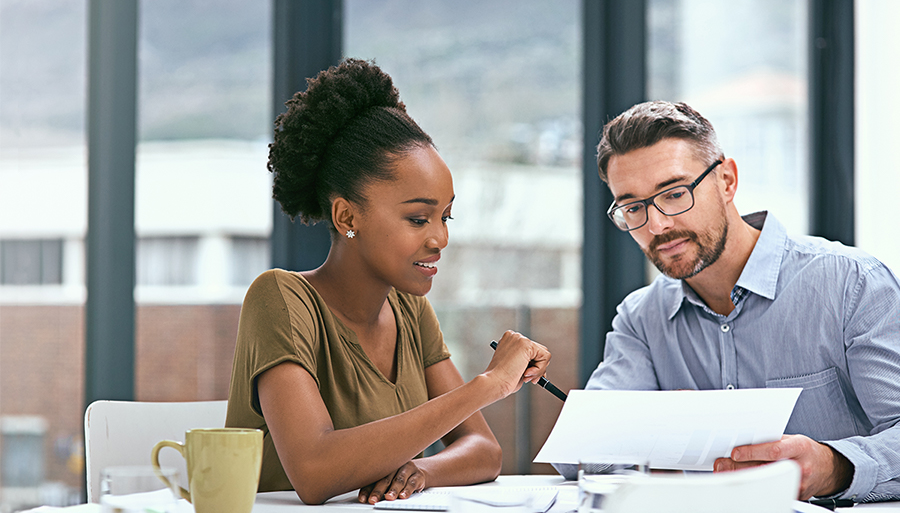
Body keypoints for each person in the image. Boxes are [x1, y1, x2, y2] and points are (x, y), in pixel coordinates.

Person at [225, 59, 551, 506]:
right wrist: (489, 385)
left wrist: (420, 471)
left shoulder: (410, 310)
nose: (441, 238)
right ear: (347, 216)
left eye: (445, 216)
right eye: (418, 218)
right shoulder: (280, 299)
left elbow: (484, 451)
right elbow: (314, 471)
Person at [570, 100, 900, 502]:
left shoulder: (852, 284)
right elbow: (579, 454)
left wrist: (834, 466)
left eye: (674, 194)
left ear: (726, 180)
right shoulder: (641, 319)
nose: (657, 225)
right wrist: (666, 424)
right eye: (633, 207)